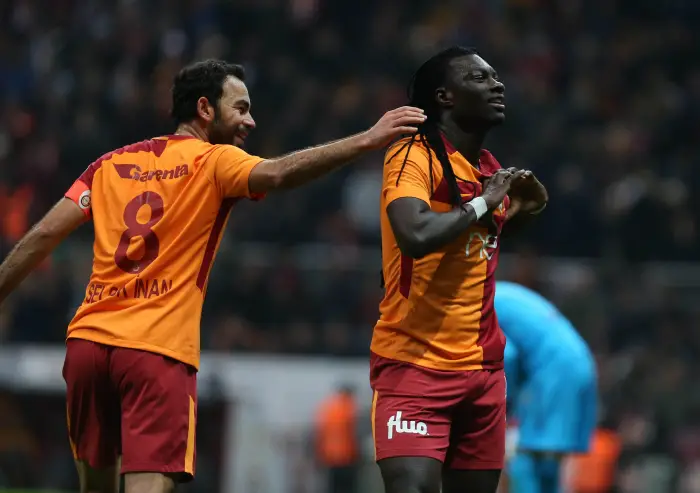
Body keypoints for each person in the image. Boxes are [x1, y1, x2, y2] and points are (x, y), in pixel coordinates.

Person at [0, 59, 426, 493]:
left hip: (88, 345)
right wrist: (367, 140)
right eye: (240, 108)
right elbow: (278, 173)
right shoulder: (216, 161)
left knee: (96, 486)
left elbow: (46, 232)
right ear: (205, 109)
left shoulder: (109, 164)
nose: (250, 121)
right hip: (156, 350)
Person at [370, 46, 548, 493]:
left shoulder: (488, 170)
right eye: (480, 78)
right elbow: (414, 232)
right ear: (446, 96)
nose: (498, 84)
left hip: (484, 374)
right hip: (414, 366)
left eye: (495, 76)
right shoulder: (413, 154)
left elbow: (479, 239)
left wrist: (521, 210)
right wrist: (488, 202)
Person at [496, 281, 598, 493]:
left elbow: (507, 356)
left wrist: (503, 405)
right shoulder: (502, 292)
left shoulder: (482, 302)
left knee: (528, 457)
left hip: (552, 370)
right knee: (549, 461)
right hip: (580, 363)